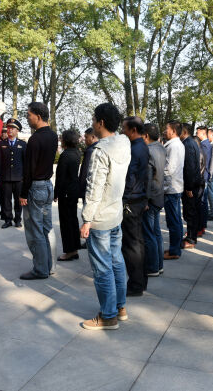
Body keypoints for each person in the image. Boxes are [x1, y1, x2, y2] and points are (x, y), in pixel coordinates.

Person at [80, 103, 131, 330]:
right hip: (115, 213)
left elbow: (94, 189)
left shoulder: (100, 151)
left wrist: (87, 219)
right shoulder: (124, 142)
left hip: (101, 217)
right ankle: (120, 308)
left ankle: (108, 316)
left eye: (93, 119)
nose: (92, 123)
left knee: (103, 268)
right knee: (116, 261)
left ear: (100, 122)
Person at [19, 103, 58, 280]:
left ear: (38, 116)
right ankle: (48, 265)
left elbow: (29, 170)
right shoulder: (53, 136)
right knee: (45, 228)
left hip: (35, 188)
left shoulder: (35, 139)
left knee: (35, 231)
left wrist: (23, 193)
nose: (28, 118)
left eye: (29, 115)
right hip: (47, 186)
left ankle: (40, 269)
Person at [121, 116, 150, 296]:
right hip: (138, 199)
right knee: (138, 242)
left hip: (131, 201)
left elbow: (130, 177)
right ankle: (141, 281)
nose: (122, 131)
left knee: (131, 244)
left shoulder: (135, 148)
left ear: (133, 130)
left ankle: (136, 284)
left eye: (124, 128)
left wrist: (124, 199)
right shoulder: (142, 146)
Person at [142, 123, 166, 277]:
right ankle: (159, 265)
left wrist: (145, 200)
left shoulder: (149, 150)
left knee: (149, 233)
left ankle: (152, 267)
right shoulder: (161, 148)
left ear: (145, 136)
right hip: (158, 195)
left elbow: (148, 177)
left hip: (150, 198)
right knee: (156, 232)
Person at [54, 129, 82, 261]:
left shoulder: (65, 155)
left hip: (65, 192)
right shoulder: (77, 153)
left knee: (66, 222)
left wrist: (56, 193)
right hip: (73, 191)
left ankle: (70, 251)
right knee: (73, 220)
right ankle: (74, 248)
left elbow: (60, 177)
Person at [0, 119, 27, 229]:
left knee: (18, 201)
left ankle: (17, 220)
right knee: (6, 200)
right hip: (5, 178)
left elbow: (25, 162)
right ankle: (8, 220)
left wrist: (25, 177)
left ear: (17, 131)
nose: (10, 130)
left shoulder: (22, 144)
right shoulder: (1, 144)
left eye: (12, 128)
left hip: (19, 179)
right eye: (8, 128)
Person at [162, 120, 185, 260]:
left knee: (173, 221)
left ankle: (174, 250)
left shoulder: (174, 146)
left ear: (174, 131)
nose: (165, 131)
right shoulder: (175, 144)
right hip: (174, 187)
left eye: (167, 129)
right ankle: (175, 247)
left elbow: (169, 169)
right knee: (175, 220)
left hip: (171, 188)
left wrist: (160, 182)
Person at [181, 123, 204, 249]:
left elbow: (190, 167)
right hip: (193, 184)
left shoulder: (188, 144)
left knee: (191, 213)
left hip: (191, 186)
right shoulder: (190, 142)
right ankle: (190, 236)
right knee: (191, 212)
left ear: (184, 132)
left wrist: (189, 187)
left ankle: (191, 238)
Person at [78, 127, 99, 250]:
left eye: (86, 137)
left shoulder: (91, 151)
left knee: (89, 217)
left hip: (88, 190)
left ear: (93, 137)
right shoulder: (98, 148)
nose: (85, 140)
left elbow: (85, 173)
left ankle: (89, 240)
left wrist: (81, 190)